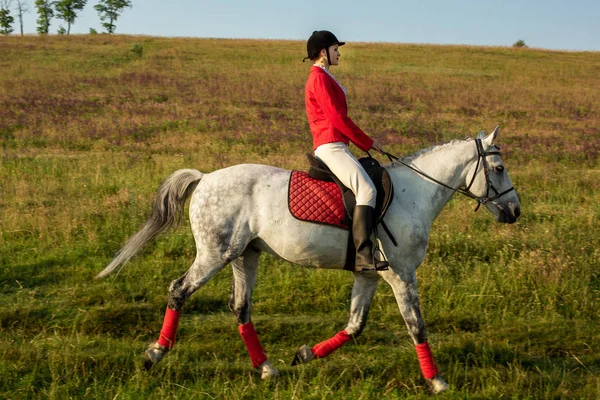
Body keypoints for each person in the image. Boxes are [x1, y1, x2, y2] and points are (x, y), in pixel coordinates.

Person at [304, 30, 389, 272]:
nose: (338, 53)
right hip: (330, 145)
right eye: (335, 49)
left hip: (337, 145)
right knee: (367, 190)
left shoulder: (324, 76)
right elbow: (338, 119)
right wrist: (368, 142)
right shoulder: (319, 78)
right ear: (323, 53)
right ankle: (363, 257)